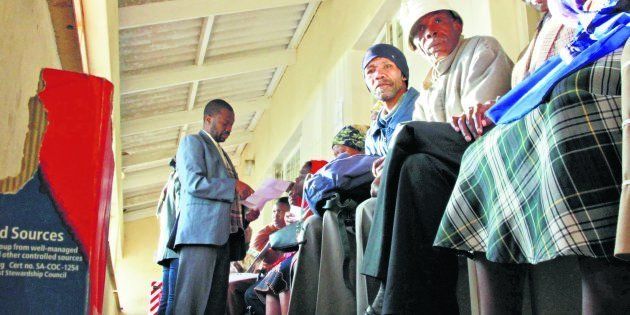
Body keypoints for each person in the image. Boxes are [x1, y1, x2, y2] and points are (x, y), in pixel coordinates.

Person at [433, 0, 630, 313]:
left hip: (602, 79)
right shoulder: (536, 41)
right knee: (481, 153)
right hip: (547, 103)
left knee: (570, 103)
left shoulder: (579, 13)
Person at [359, 0, 514, 313]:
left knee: (408, 137)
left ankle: (384, 290)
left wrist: (394, 157)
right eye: (421, 32)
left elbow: (479, 125)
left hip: (483, 152)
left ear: (457, 25)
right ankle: (415, 300)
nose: (430, 34)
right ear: (416, 45)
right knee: (415, 168)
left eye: (438, 22)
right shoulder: (428, 90)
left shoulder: (482, 49)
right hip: (446, 171)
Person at [171, 99, 254, 314]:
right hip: (200, 235)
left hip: (223, 238)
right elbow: (194, 183)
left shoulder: (222, 153)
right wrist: (233, 184)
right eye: (225, 123)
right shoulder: (192, 143)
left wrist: (247, 213)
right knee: (192, 302)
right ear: (209, 119)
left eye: (231, 125)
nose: (229, 130)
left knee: (215, 305)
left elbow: (225, 197)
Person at [250, 161, 326, 315]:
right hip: (292, 260)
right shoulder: (299, 209)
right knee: (260, 289)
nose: (295, 181)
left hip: (307, 260)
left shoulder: (316, 206)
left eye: (301, 176)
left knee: (274, 282)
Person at [227, 197, 290, 315]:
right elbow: (252, 256)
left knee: (236, 288)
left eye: (280, 212)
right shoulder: (267, 231)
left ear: (289, 213)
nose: (276, 215)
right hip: (256, 272)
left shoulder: (291, 232)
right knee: (229, 285)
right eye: (274, 211)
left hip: (274, 275)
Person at [155, 158, 180, 315]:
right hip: (176, 246)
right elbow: (182, 211)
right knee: (174, 298)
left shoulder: (169, 182)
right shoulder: (180, 179)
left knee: (165, 299)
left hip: (165, 249)